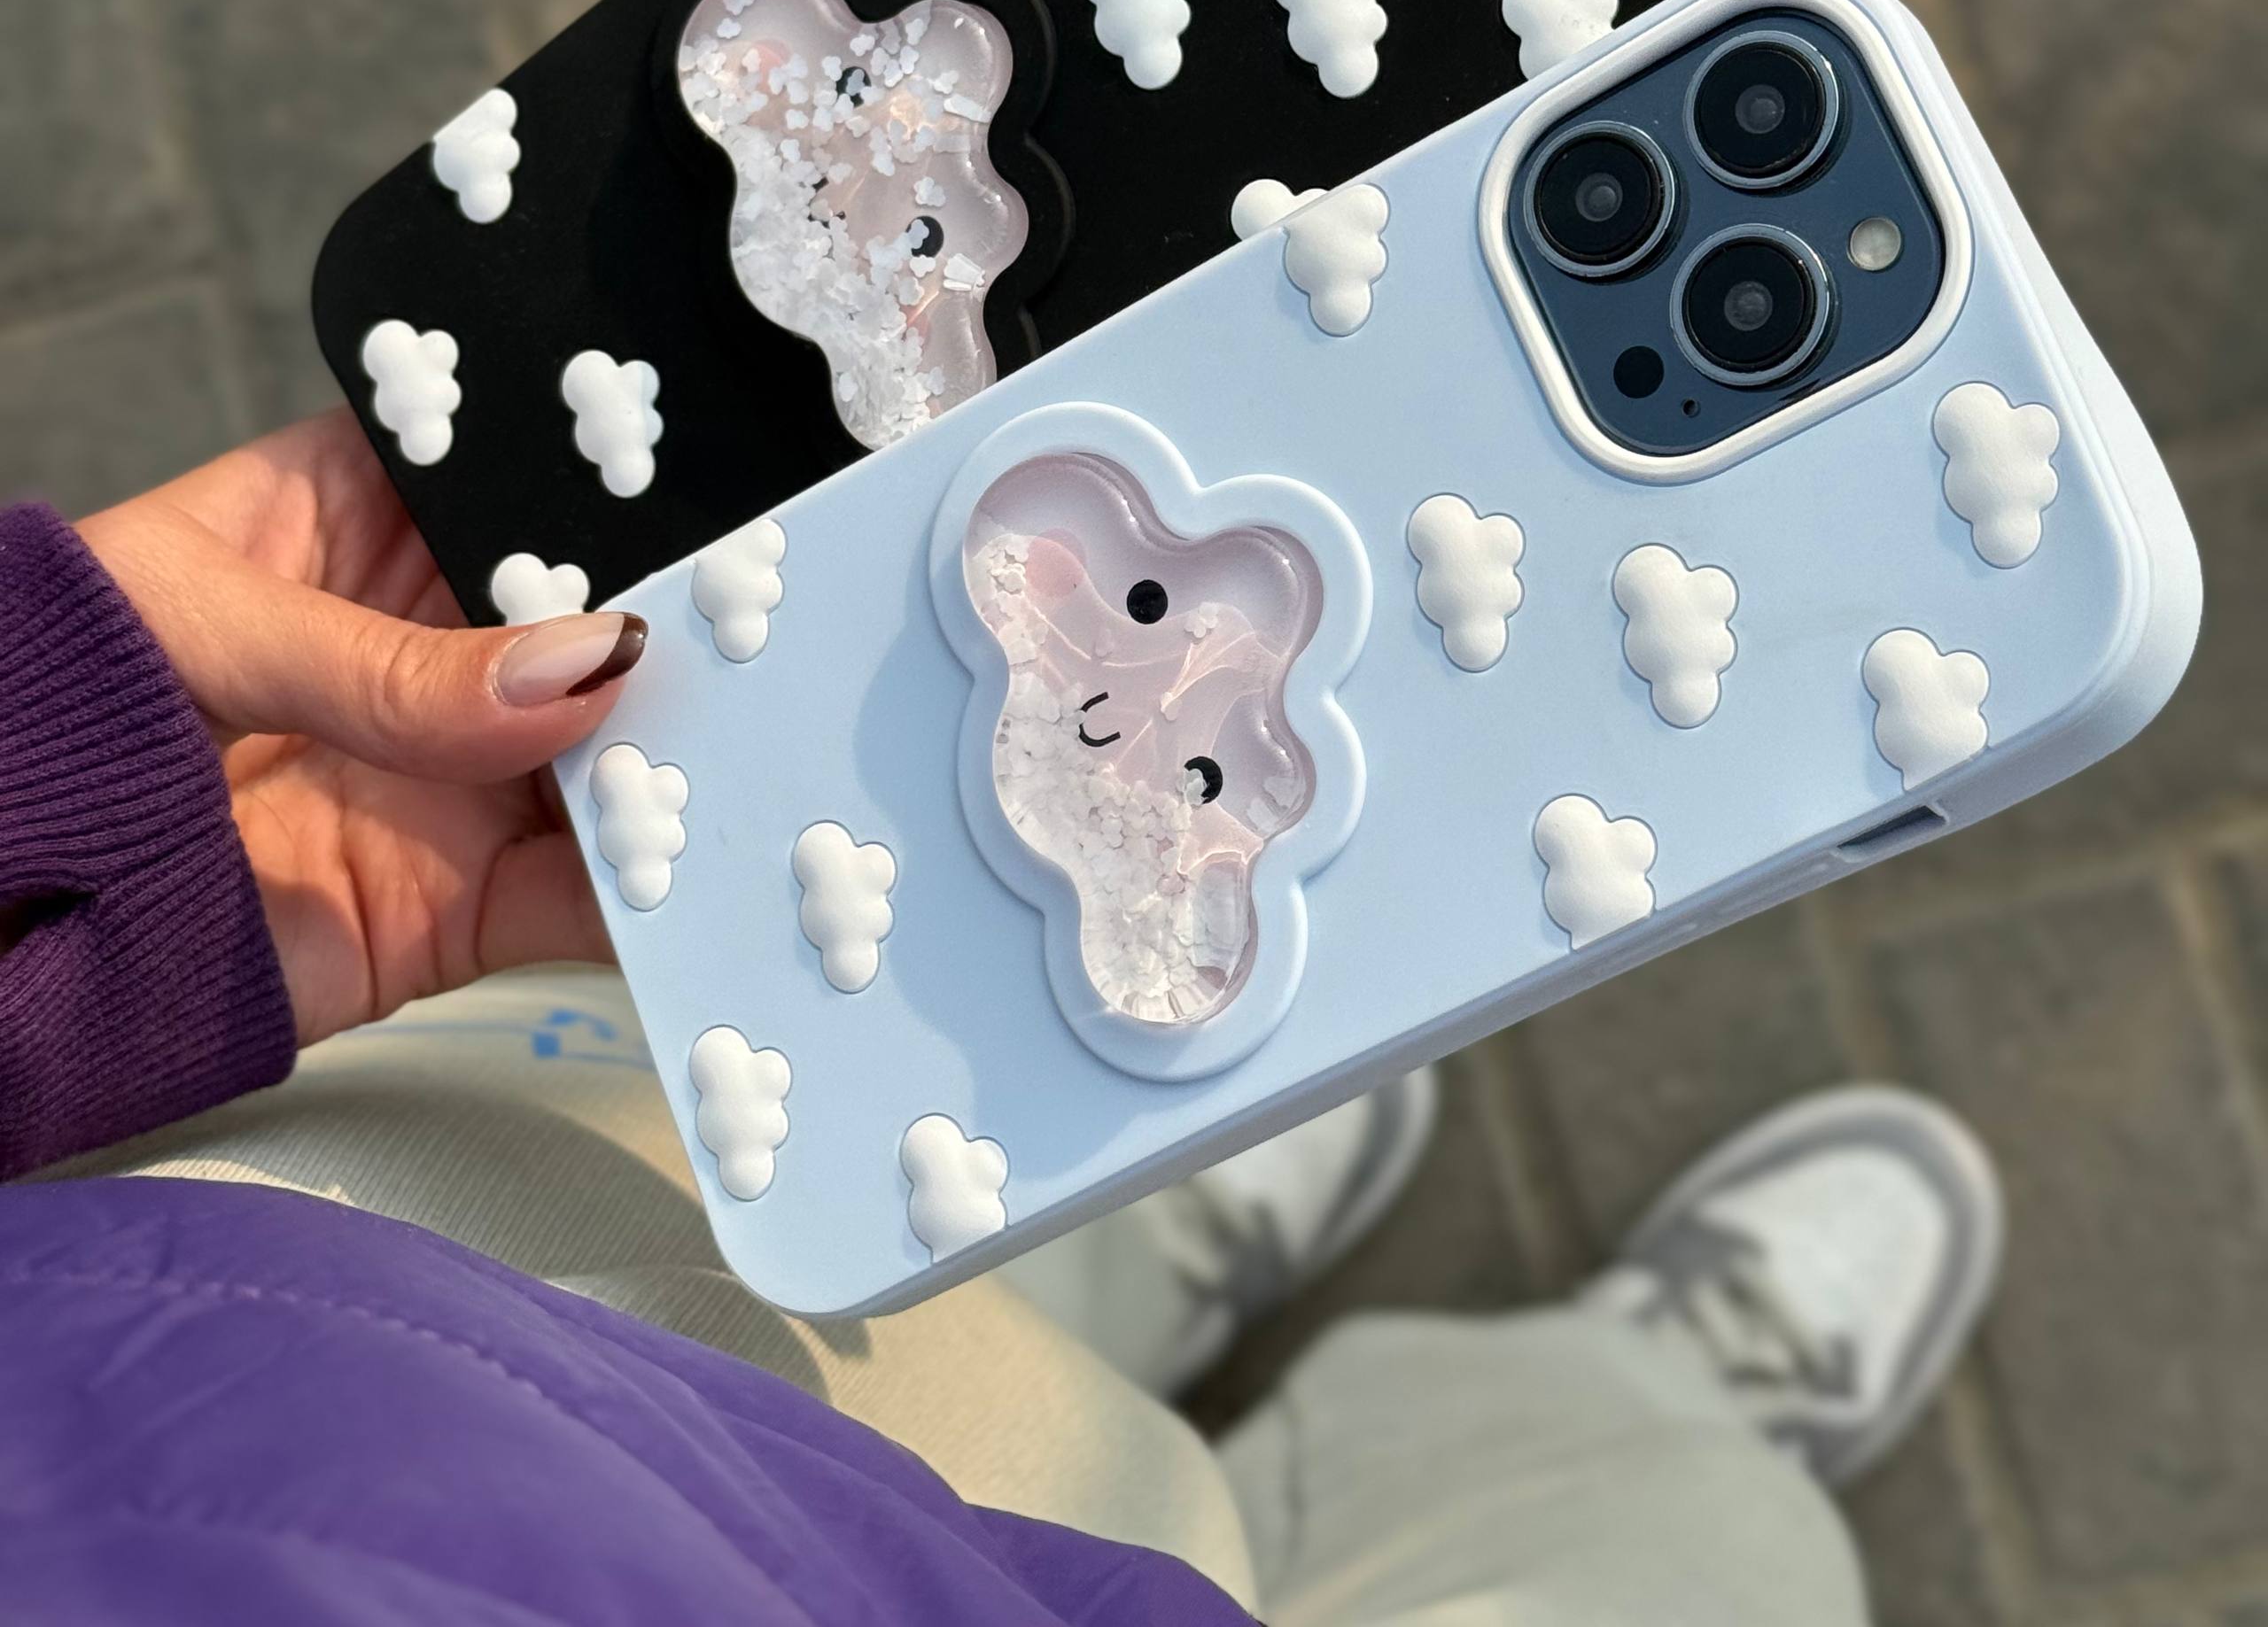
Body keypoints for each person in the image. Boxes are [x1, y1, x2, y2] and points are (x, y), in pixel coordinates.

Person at [1, 411, 2005, 1623]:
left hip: (284, 1276)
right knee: (1689, 1558)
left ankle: (1137, 1193)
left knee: (806, 1148)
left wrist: (61, 835)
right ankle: (1640, 1406)